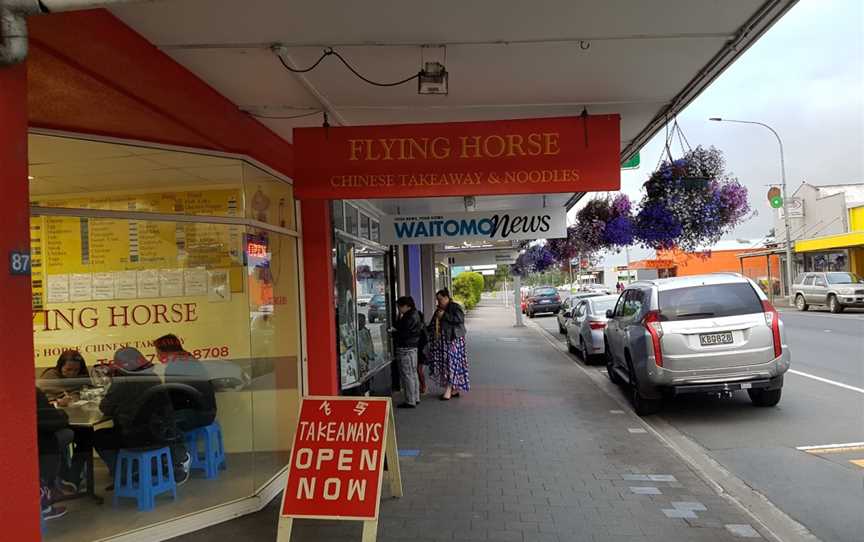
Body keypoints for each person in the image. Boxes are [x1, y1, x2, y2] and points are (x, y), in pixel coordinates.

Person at [95, 347, 190, 486]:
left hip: (136, 438)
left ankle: (123, 474)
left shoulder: (122, 382)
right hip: (162, 434)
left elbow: (105, 408)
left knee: (99, 437)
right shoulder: (153, 377)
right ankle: (143, 469)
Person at [155, 334, 217, 433]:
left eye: (158, 352)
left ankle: (178, 448)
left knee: (156, 423)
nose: (157, 356)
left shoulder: (173, 366)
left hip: (194, 416)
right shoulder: (189, 359)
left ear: (165, 352)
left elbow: (172, 399)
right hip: (208, 413)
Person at [427, 288, 470, 401]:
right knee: (448, 365)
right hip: (443, 342)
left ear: (446, 298)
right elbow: (432, 324)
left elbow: (459, 319)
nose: (438, 302)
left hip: (453, 341)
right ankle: (453, 389)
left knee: (451, 364)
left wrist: (444, 316)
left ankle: (449, 389)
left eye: (440, 299)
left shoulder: (455, 307)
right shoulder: (439, 310)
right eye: (437, 300)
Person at [36, 388, 71, 520]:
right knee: (66, 434)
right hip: (40, 444)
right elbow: (53, 419)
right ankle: (51, 488)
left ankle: (57, 482)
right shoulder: (33, 391)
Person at [392, 296, 423, 408]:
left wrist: (394, 331)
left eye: (399, 306)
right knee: (413, 373)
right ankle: (415, 397)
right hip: (413, 347)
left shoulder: (408, 317)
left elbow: (402, 332)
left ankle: (410, 400)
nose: (399, 309)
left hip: (405, 348)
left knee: (407, 375)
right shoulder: (416, 314)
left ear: (406, 306)